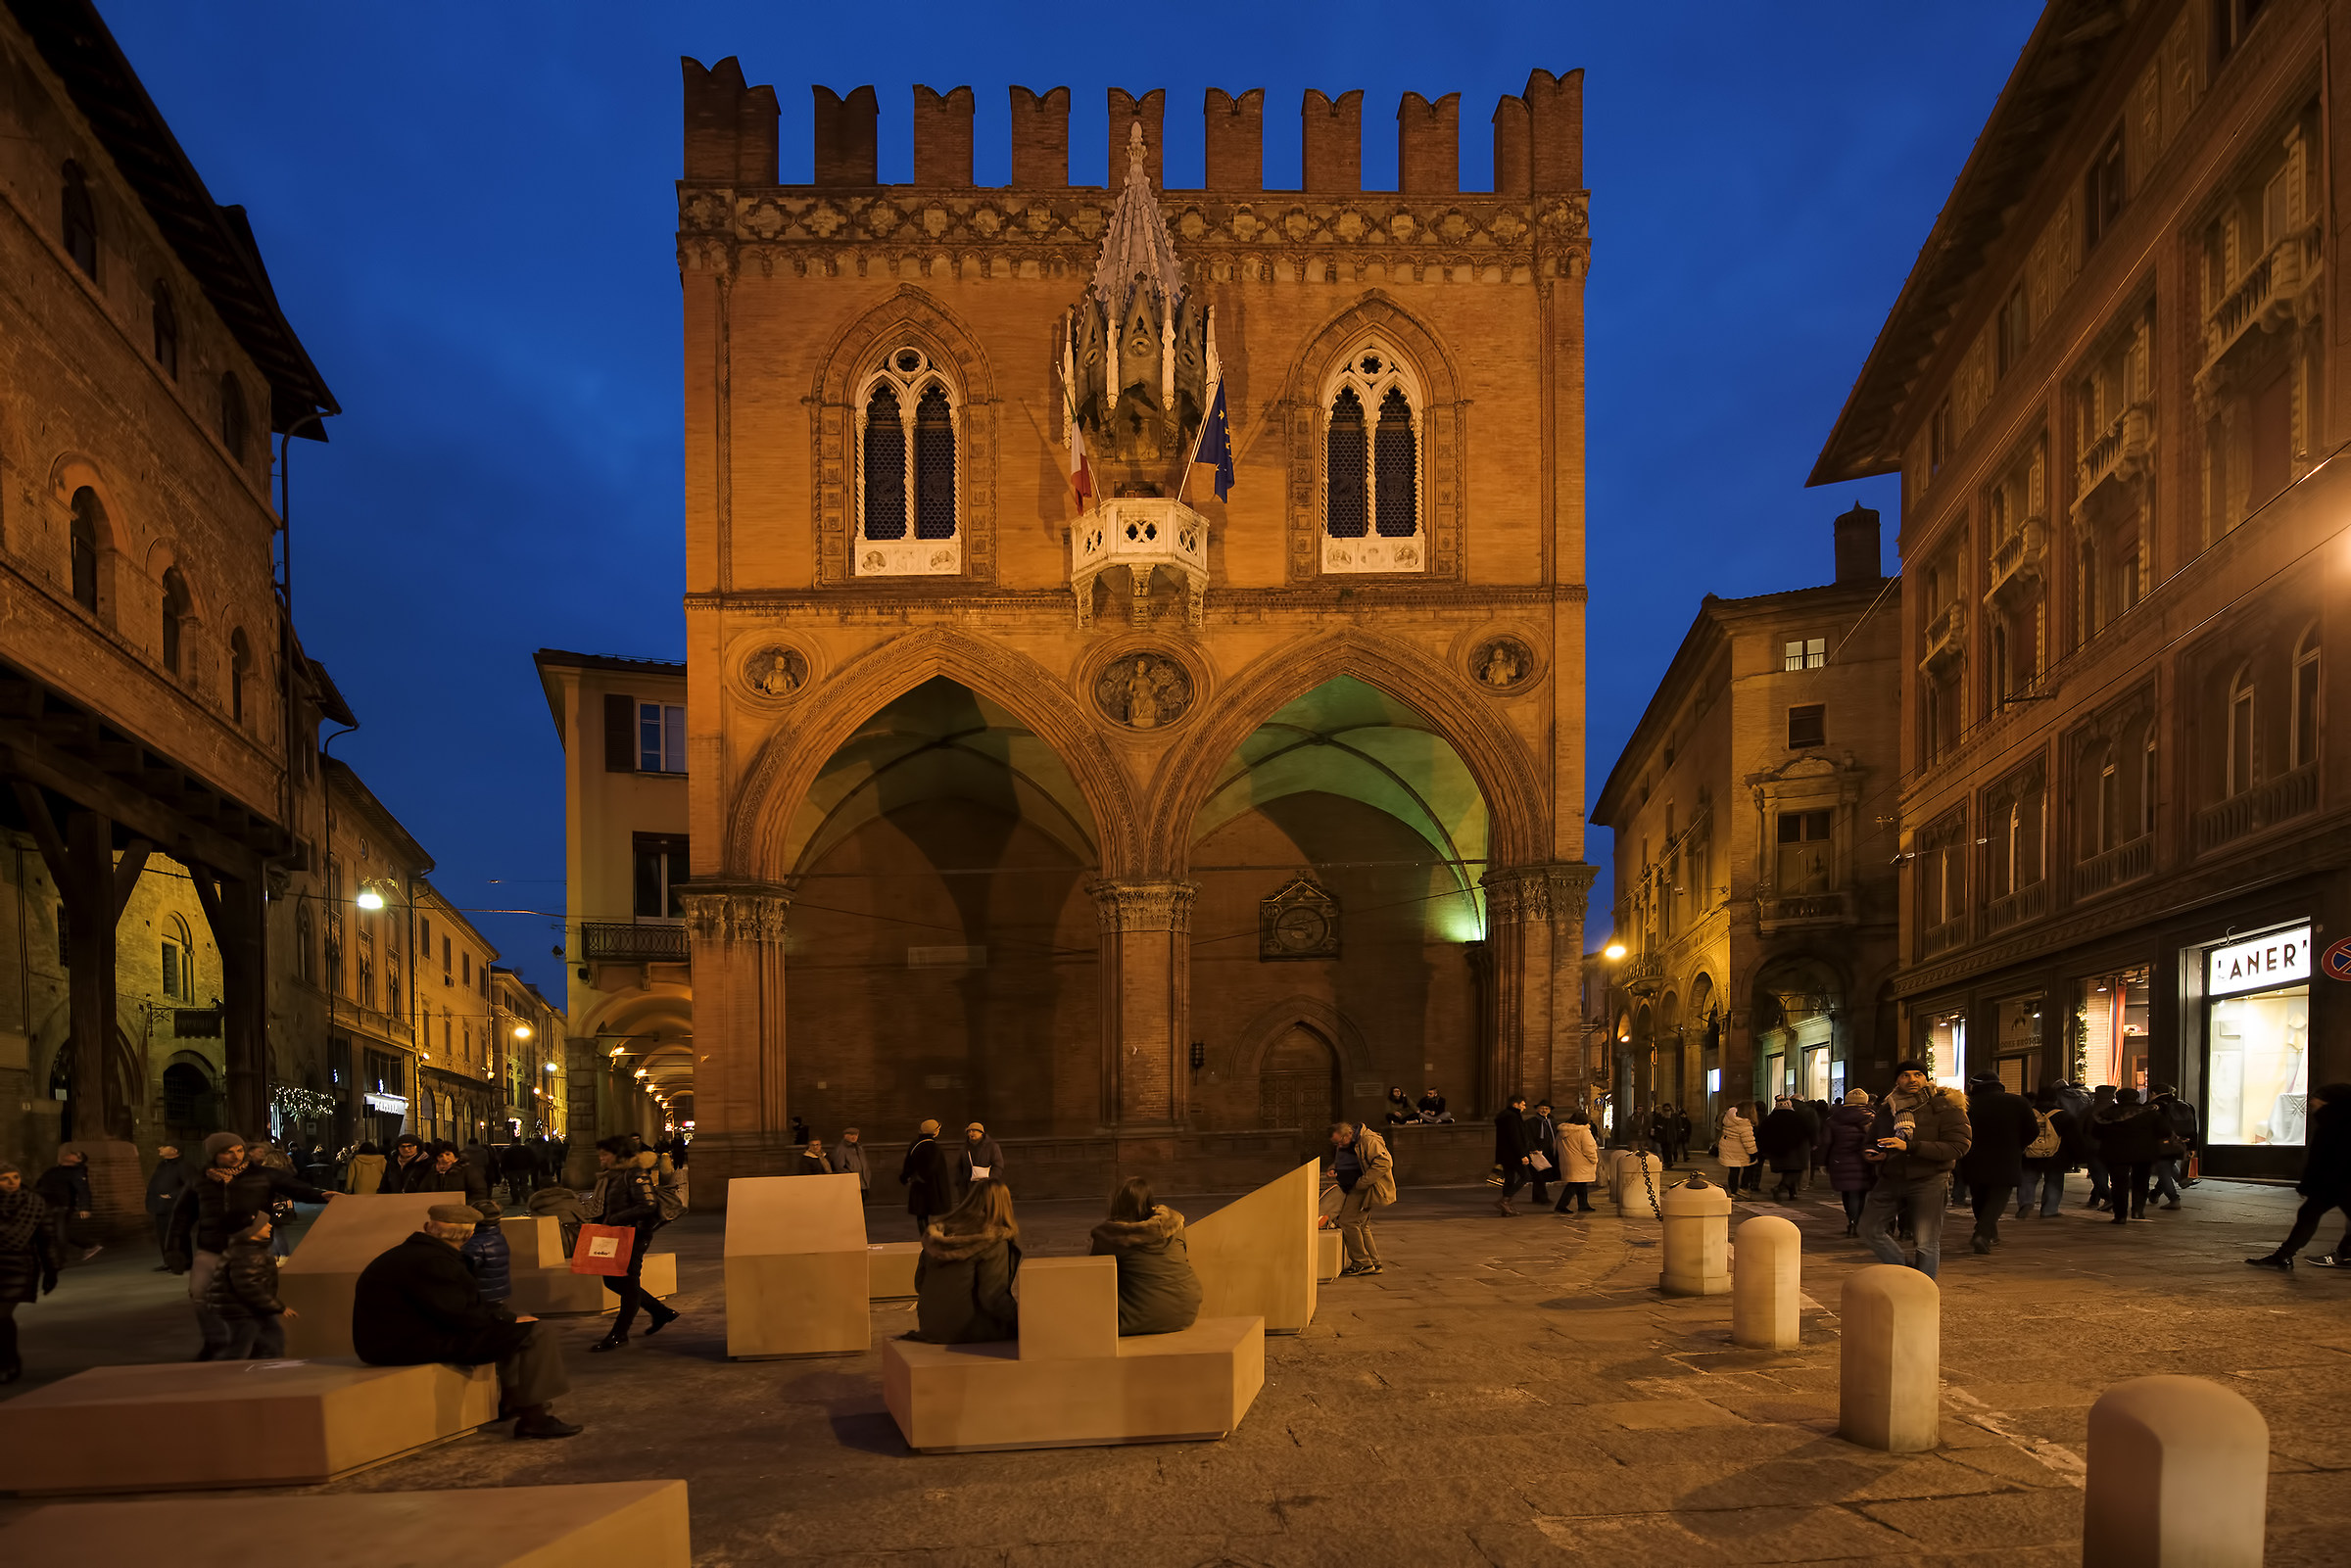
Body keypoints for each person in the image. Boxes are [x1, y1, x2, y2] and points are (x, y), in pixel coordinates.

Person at [353, 1204, 581, 1438]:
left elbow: (453, 1306)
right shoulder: (434, 1262)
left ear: (428, 1228)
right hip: (404, 1344)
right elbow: (460, 1315)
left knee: (516, 1327)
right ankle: (534, 1418)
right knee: (536, 1332)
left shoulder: (415, 1254)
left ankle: (513, 1401)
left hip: (401, 1336)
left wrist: (505, 1317)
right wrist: (507, 1318)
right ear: (470, 1235)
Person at [165, 1131, 337, 1359]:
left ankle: (262, 1347)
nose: (235, 1156)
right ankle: (215, 1342)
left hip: (252, 1248)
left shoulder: (263, 1175)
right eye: (227, 1152)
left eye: (238, 1150)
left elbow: (295, 1188)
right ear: (215, 1155)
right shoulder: (200, 1180)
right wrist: (175, 1249)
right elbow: (181, 1216)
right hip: (212, 1247)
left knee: (253, 1296)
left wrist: (321, 1195)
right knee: (201, 1295)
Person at [1855, 1062, 1973, 1279]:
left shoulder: (1946, 1105)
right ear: (1897, 1080)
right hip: (1891, 1178)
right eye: (1905, 1075)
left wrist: (1910, 1146)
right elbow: (1872, 1140)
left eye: (1918, 1074)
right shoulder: (1888, 1107)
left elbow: (1958, 1146)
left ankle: (1923, 1288)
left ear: (1926, 1078)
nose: (1912, 1080)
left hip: (1929, 1179)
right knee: (1869, 1228)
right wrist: (1873, 1152)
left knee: (1925, 1241)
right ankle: (1909, 1275)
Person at [585, 1137, 677, 1350]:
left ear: (619, 1155)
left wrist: (615, 1219)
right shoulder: (612, 1176)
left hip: (634, 1234)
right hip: (614, 1234)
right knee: (613, 1281)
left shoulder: (635, 1174)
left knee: (628, 1282)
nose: (601, 1159)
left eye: (605, 1154)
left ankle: (619, 1333)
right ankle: (660, 1312)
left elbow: (648, 1205)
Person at [2247, 1082, 2351, 1271]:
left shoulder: (2335, 1123)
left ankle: (2285, 1255)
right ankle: (2284, 1255)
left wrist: (2311, 1184)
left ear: (2329, 1101)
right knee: (2308, 1214)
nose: (2312, 1102)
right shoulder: (2332, 1121)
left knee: (2308, 1215)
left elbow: (2325, 1158)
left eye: (2317, 1098)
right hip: (2335, 1184)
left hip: (2338, 1183)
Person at [1087, 1177, 1203, 1335]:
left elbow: (1095, 1277)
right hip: (1187, 1310)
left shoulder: (1112, 1236)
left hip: (1145, 1315)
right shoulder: (1173, 1225)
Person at [912, 1180, 1021, 1344]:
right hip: (966, 1329)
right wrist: (1023, 1320)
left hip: (930, 1326)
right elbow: (992, 1298)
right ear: (1005, 1204)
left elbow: (919, 1283)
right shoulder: (994, 1241)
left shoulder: (938, 1235)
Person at [1958, 1074, 2038, 1254]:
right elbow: (2033, 1130)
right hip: (2006, 1158)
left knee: (1979, 1197)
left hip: (1973, 1157)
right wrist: (2018, 1145)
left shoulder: (1966, 1104)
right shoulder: (2018, 1102)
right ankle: (1984, 1234)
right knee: (1998, 1198)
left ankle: (1987, 1232)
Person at [0, 1162, 60, 1385]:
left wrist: (52, 1269)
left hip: (18, 1266)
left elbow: (46, 1240)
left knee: (2, 1315)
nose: (12, 1182)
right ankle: (9, 1360)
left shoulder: (33, 1203)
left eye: (15, 1177)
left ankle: (7, 1363)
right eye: (5, 1178)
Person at [206, 1212, 293, 1358]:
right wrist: (278, 1307)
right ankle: (224, 1376)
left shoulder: (252, 1249)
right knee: (244, 1348)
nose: (269, 1226)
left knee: (263, 1343)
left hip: (249, 1309)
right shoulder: (248, 1254)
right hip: (243, 1311)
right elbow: (249, 1286)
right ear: (252, 1231)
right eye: (264, 1224)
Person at [2090, 1089, 2170, 1224]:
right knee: (2141, 1182)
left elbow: (2096, 1133)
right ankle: (2138, 1211)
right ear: (2137, 1098)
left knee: (2118, 1183)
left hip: (2116, 1153)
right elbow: (2164, 1131)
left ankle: (2120, 1215)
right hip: (2144, 1153)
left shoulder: (2108, 1113)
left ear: (2118, 1098)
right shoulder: (2150, 1113)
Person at [1326, 1120, 1395, 1275]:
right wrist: (1334, 1167)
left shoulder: (1369, 1140)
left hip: (1364, 1188)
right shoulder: (1350, 1141)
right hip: (1355, 1187)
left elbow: (1384, 1162)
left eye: (1340, 1141)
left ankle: (1362, 1262)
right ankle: (1374, 1263)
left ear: (1348, 1134)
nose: (1340, 1145)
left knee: (1347, 1221)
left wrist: (1363, 1183)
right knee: (1361, 1225)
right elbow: (1349, 1160)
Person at [2015, 1087, 2080, 1219]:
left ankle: (2025, 1203)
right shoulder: (2064, 1115)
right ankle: (2049, 1210)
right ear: (2055, 1099)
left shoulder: (2027, 1113)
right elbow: (2073, 1138)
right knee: (2054, 1181)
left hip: (2029, 1155)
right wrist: (2078, 1155)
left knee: (2027, 1179)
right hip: (2056, 1157)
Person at [1820, 1089, 1878, 1235]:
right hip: (1866, 1161)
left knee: (1848, 1192)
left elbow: (1826, 1142)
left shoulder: (1833, 1119)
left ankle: (1852, 1222)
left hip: (1840, 1160)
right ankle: (1859, 1222)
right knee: (1862, 1193)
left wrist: (1823, 1162)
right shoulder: (1872, 1118)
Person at [34, 1149, 99, 1263]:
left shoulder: (76, 1172)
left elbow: (83, 1190)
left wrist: (85, 1207)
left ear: (79, 1160)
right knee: (55, 1231)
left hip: (62, 1205)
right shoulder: (53, 1170)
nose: (70, 1154)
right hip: (46, 1204)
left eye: (75, 1154)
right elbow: (39, 1184)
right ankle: (88, 1245)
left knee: (60, 1232)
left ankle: (60, 1258)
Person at [2148, 1085, 2202, 1209]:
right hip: (2183, 1143)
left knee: (2164, 1171)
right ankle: (2159, 1191)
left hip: (2162, 1143)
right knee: (2168, 1166)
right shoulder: (2185, 1105)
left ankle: (2174, 1199)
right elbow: (2193, 1128)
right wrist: (2192, 1147)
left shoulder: (2156, 1107)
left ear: (2154, 1092)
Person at [900, 1120, 953, 1236]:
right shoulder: (934, 1147)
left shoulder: (915, 1144)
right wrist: (924, 1177)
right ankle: (939, 1238)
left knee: (921, 1214)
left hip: (918, 1186)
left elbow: (907, 1165)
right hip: (934, 1187)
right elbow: (932, 1167)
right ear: (935, 1132)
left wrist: (906, 1178)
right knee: (938, 1214)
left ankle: (925, 1237)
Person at [144, 1144, 196, 1263]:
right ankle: (169, 1262)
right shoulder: (162, 1165)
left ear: (175, 1150)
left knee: (177, 1236)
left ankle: (184, 1262)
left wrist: (172, 1195)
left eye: (164, 1146)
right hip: (160, 1206)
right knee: (163, 1236)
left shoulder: (184, 1165)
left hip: (176, 1207)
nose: (159, 1148)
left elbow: (191, 1184)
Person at [1758, 1097, 1812, 1202]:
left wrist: (1764, 1149)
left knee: (1787, 1171)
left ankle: (1793, 1193)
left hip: (1777, 1150)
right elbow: (1808, 1131)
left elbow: (1762, 1135)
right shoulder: (1798, 1117)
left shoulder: (1770, 1118)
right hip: (1796, 1149)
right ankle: (1780, 1188)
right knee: (1795, 1171)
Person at [1550, 1111, 1602, 1213]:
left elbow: (1555, 1146)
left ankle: (1583, 1204)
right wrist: (1594, 1160)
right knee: (1574, 1185)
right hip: (1581, 1162)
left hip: (1567, 1161)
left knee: (1580, 1183)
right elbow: (1589, 1148)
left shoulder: (1561, 1132)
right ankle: (1561, 1205)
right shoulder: (1583, 1131)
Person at [1493, 1094, 1535, 1215]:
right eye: (1523, 1104)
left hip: (1505, 1154)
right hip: (1513, 1154)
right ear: (1515, 1104)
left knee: (1510, 1179)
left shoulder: (1505, 1116)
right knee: (1526, 1176)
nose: (1524, 1107)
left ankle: (1505, 1209)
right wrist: (1523, 1155)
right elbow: (1515, 1137)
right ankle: (1505, 1201)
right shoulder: (1512, 1117)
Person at [2081, 1085, 2117, 1210]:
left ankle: (2107, 1197)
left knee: (2098, 1173)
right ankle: (2095, 1197)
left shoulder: (2089, 1110)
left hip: (2093, 1146)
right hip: (2114, 1147)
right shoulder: (2118, 1110)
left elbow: (2079, 1128)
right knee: (2109, 1173)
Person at [1717, 1103, 1758, 1194]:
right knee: (1749, 1169)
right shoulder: (1744, 1124)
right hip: (1740, 1151)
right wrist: (1753, 1153)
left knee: (1733, 1171)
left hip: (1729, 1149)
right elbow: (1748, 1142)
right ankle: (1743, 1189)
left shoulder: (1729, 1119)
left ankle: (1733, 1191)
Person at [1526, 1102, 1561, 1209]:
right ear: (1537, 1110)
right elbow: (1527, 1137)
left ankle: (1536, 1196)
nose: (1544, 1110)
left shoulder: (1552, 1122)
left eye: (1546, 1108)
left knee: (1542, 1175)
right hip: (1536, 1152)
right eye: (1542, 1108)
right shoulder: (1530, 1122)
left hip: (1549, 1152)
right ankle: (1543, 1197)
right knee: (1538, 1175)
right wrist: (1532, 1148)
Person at [957, 1122, 1006, 1192]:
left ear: (981, 1133)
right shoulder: (965, 1147)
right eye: (969, 1131)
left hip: (987, 1185)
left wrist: (991, 1179)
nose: (971, 1133)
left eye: (973, 1131)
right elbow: (959, 1165)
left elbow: (998, 1165)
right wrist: (960, 1182)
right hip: (968, 1185)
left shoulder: (992, 1146)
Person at [828, 1127, 870, 1197]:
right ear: (845, 1136)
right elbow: (839, 1167)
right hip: (851, 1182)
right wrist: (851, 1177)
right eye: (851, 1134)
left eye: (856, 1134)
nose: (854, 1137)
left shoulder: (859, 1147)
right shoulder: (841, 1149)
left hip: (864, 1181)